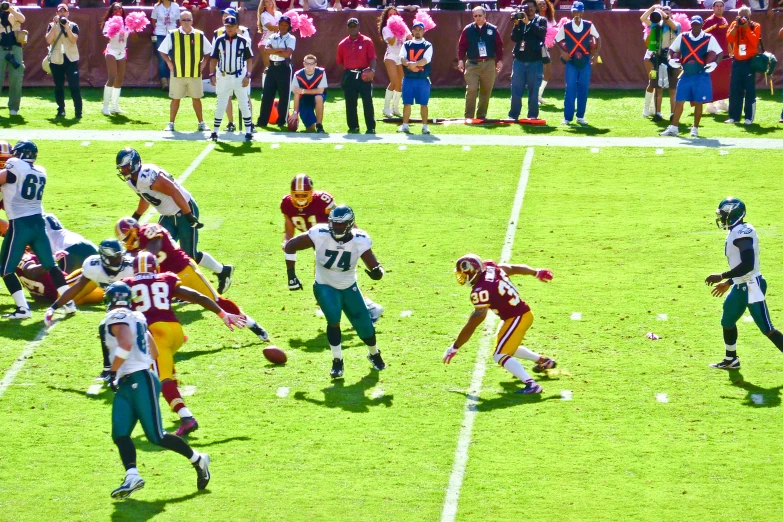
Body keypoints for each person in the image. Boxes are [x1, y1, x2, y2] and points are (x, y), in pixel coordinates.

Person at [101, 282, 211, 500]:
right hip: (132, 380)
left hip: (138, 379)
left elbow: (125, 344)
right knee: (120, 433)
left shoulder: (116, 318)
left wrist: (113, 371)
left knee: (156, 436)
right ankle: (132, 475)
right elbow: (152, 350)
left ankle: (198, 459)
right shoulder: (138, 317)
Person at [121, 252, 245, 436]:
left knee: (162, 379)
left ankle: (186, 417)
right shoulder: (165, 279)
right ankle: (175, 395)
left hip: (156, 334)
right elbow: (197, 296)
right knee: (165, 369)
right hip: (176, 332)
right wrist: (223, 314)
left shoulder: (128, 285)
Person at [115, 217, 270, 341]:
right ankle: (170, 338)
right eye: (124, 240)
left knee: (216, 301)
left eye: (128, 236)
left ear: (135, 230)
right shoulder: (136, 248)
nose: (127, 242)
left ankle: (253, 325)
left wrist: (132, 258)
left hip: (184, 270)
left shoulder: (150, 231)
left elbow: (151, 254)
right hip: (165, 279)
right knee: (154, 309)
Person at [284, 205, 386, 379]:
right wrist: (291, 276)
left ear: (350, 224)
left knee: (365, 326)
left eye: (341, 224)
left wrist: (378, 272)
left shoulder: (360, 239)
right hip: (325, 285)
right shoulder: (319, 233)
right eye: (334, 223)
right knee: (334, 321)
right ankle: (337, 361)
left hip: (349, 286)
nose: (337, 227)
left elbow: (375, 266)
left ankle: (374, 353)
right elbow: (290, 246)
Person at [115, 148, 234, 294]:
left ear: (134, 163)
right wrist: (136, 217)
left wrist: (189, 215)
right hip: (167, 215)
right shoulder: (132, 181)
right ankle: (171, 285)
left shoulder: (147, 176)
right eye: (121, 168)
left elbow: (173, 190)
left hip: (183, 209)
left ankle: (222, 271)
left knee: (189, 256)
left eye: (126, 167)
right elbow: (145, 196)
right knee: (159, 249)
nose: (123, 170)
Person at [445, 254, 555, 394]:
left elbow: (474, 322)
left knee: (500, 355)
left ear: (473, 271)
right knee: (506, 346)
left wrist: (455, 347)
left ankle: (532, 385)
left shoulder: (481, 290)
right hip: (519, 314)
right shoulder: (491, 268)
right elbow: (512, 268)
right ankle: (543, 361)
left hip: (517, 317)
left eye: (463, 273)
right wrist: (536, 272)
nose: (462, 277)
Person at [280, 174, 383, 324]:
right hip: (321, 246)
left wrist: (356, 238)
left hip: (336, 242)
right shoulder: (287, 204)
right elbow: (289, 228)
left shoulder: (322, 201)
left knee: (332, 282)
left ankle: (369, 308)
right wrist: (287, 241)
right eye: (297, 195)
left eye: (304, 194)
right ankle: (360, 308)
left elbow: (343, 219)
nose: (300, 198)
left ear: (311, 193)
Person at [705, 198, 783, 370]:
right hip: (740, 286)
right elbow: (743, 266)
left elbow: (748, 264)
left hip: (751, 286)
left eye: (723, 215)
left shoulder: (742, 232)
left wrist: (722, 276)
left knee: (767, 328)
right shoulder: (737, 230)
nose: (721, 218)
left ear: (733, 214)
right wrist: (729, 282)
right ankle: (731, 359)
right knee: (727, 321)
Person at [0, 141, 72, 320]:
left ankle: (23, 309)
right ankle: (69, 303)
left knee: (6, 269)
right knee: (51, 265)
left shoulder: (15, 166)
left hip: (20, 225)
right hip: (38, 224)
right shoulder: (40, 171)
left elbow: (3, 177)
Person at [659, 16, 722, 138]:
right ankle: (674, 127)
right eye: (693, 24)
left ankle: (695, 129)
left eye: (697, 24)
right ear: (691, 25)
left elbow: (719, 53)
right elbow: (671, 51)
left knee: (699, 102)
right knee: (679, 101)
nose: (695, 27)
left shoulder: (709, 38)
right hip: (686, 74)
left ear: (701, 25)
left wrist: (715, 63)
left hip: (701, 75)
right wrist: (670, 60)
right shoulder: (683, 36)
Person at [157, 11, 212, 132]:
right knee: (175, 98)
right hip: (178, 73)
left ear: (192, 21)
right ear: (179, 21)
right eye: (184, 20)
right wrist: (169, 63)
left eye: (188, 20)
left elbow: (209, 51)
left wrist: (203, 63)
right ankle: (171, 123)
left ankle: (201, 123)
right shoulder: (173, 34)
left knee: (196, 98)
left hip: (195, 73)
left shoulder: (199, 35)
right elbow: (162, 50)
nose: (186, 22)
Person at [209, 15, 254, 142]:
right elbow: (213, 59)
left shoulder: (243, 41)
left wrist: (248, 75)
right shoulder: (219, 40)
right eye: (227, 26)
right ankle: (215, 131)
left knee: (244, 103)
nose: (229, 28)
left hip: (239, 76)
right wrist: (212, 74)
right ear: (225, 26)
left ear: (236, 27)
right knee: (221, 104)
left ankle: (249, 131)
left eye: (232, 26)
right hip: (223, 76)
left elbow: (249, 59)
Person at [555, 1, 600, 125]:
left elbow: (598, 37)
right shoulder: (566, 26)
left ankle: (580, 116)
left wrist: (596, 54)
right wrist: (562, 52)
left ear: (583, 12)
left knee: (583, 88)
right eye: (574, 11)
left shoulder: (589, 25)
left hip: (585, 61)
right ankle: (567, 117)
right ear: (572, 12)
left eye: (579, 11)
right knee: (570, 88)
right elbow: (556, 39)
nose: (577, 13)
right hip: (571, 61)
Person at [457, 7, 504, 121]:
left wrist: (500, 61)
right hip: (472, 63)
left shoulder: (492, 29)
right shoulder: (468, 29)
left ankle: (481, 116)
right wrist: (460, 60)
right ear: (473, 17)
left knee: (486, 91)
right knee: (472, 89)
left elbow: (499, 46)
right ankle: (468, 116)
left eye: (480, 15)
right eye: (475, 16)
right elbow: (462, 46)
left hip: (488, 63)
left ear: (485, 15)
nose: (477, 18)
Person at [509, 0, 547, 122]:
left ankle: (532, 115)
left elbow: (541, 33)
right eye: (527, 7)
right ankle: (513, 115)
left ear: (536, 8)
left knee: (534, 90)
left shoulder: (541, 20)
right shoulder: (520, 21)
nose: (530, 9)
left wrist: (529, 23)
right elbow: (514, 38)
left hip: (535, 60)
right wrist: (516, 24)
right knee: (516, 89)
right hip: (520, 59)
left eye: (532, 6)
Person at [640, 4, 680, 120]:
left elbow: (672, 24)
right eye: (664, 12)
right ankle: (657, 112)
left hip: (671, 58)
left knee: (672, 87)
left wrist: (663, 14)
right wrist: (653, 9)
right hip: (657, 58)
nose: (665, 14)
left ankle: (673, 113)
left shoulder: (676, 25)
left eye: (668, 12)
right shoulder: (656, 25)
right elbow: (643, 19)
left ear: (672, 14)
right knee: (657, 86)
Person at [336, 18, 376, 134]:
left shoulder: (367, 41)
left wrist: (372, 70)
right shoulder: (342, 44)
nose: (353, 28)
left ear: (359, 27)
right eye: (350, 26)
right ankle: (353, 126)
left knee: (367, 101)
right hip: (350, 75)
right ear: (347, 28)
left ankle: (370, 127)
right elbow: (340, 61)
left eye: (355, 26)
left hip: (364, 74)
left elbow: (372, 57)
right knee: (350, 102)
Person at [257, 16, 295, 129]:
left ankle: (281, 121)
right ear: (278, 25)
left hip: (284, 67)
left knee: (284, 95)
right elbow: (266, 50)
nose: (283, 27)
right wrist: (280, 50)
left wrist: (275, 51)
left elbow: (287, 54)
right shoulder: (273, 36)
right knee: (267, 94)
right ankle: (262, 121)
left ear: (289, 27)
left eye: (285, 25)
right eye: (281, 24)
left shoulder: (291, 38)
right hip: (272, 66)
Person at [725, 7, 761, 125]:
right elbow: (729, 38)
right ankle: (734, 116)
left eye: (745, 16)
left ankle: (749, 117)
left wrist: (746, 28)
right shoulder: (735, 24)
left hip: (749, 61)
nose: (743, 18)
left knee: (749, 90)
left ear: (749, 16)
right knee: (735, 89)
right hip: (737, 61)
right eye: (740, 15)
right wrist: (736, 26)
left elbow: (755, 41)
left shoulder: (755, 26)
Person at [45, 4, 81, 119]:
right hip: (56, 59)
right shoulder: (51, 26)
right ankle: (61, 109)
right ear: (56, 13)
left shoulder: (73, 25)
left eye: (64, 11)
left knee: (74, 86)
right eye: (60, 11)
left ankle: (78, 112)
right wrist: (56, 25)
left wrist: (66, 27)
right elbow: (49, 40)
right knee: (59, 86)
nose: (62, 13)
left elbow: (73, 40)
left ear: (68, 13)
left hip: (71, 59)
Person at [397, 21, 433, 134]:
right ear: (412, 31)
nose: (417, 32)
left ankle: (425, 126)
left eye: (420, 30)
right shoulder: (406, 44)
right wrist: (409, 65)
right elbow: (402, 57)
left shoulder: (427, 45)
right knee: (406, 102)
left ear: (423, 31)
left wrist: (413, 64)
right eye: (415, 29)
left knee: (424, 103)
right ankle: (405, 125)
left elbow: (426, 60)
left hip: (422, 79)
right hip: (408, 78)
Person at [379, 7, 409, 118]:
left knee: (400, 82)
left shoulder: (403, 26)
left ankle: (395, 108)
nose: (392, 16)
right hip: (390, 56)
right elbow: (391, 42)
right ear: (387, 17)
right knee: (394, 80)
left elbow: (410, 38)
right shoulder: (386, 28)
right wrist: (397, 31)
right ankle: (386, 108)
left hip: (400, 57)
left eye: (394, 14)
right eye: (390, 14)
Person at [101, 3, 131, 116]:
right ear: (112, 11)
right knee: (112, 77)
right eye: (115, 9)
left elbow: (133, 37)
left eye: (119, 8)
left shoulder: (127, 23)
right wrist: (113, 29)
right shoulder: (109, 23)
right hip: (111, 52)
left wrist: (134, 28)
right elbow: (106, 36)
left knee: (120, 79)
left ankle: (115, 106)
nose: (118, 10)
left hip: (122, 52)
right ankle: (105, 106)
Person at [703, 0, 729, 114]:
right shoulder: (709, 21)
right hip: (713, 55)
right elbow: (703, 36)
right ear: (713, 8)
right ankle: (710, 104)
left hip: (724, 53)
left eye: (721, 6)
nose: (719, 8)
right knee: (712, 79)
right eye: (717, 6)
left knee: (723, 79)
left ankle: (721, 102)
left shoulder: (724, 20)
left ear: (723, 8)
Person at [289, 54, 327, 133]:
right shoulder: (298, 75)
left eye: (311, 64)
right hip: (304, 99)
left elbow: (320, 91)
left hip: (316, 96)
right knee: (310, 128)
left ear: (315, 64)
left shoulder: (321, 72)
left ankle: (319, 125)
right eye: (307, 64)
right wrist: (295, 113)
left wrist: (303, 91)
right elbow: (296, 94)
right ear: (304, 64)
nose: (309, 66)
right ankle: (312, 124)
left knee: (319, 98)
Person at [0, 2, 25, 116]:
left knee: (16, 77)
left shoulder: (14, 9)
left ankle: (14, 107)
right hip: (1, 47)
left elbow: (22, 19)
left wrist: (10, 9)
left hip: (15, 48)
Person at [151, 0, 180, 91]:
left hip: (172, 34)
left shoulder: (175, 6)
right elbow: (153, 21)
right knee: (162, 58)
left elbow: (178, 21)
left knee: (172, 57)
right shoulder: (157, 7)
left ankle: (171, 80)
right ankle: (164, 82)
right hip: (160, 34)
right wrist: (156, 31)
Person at [537, 0, 556, 104]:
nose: (542, 5)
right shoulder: (534, 18)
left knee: (547, 73)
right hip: (535, 47)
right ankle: (535, 96)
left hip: (545, 47)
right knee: (537, 73)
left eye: (544, 3)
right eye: (539, 4)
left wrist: (551, 41)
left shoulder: (551, 19)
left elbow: (555, 31)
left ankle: (538, 95)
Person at [257, 0, 282, 77]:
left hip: (278, 43)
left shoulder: (279, 14)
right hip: (266, 43)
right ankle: (266, 86)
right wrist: (285, 26)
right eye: (267, 2)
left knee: (280, 67)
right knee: (269, 67)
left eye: (271, 0)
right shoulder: (264, 15)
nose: (270, 3)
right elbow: (271, 28)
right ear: (264, 4)